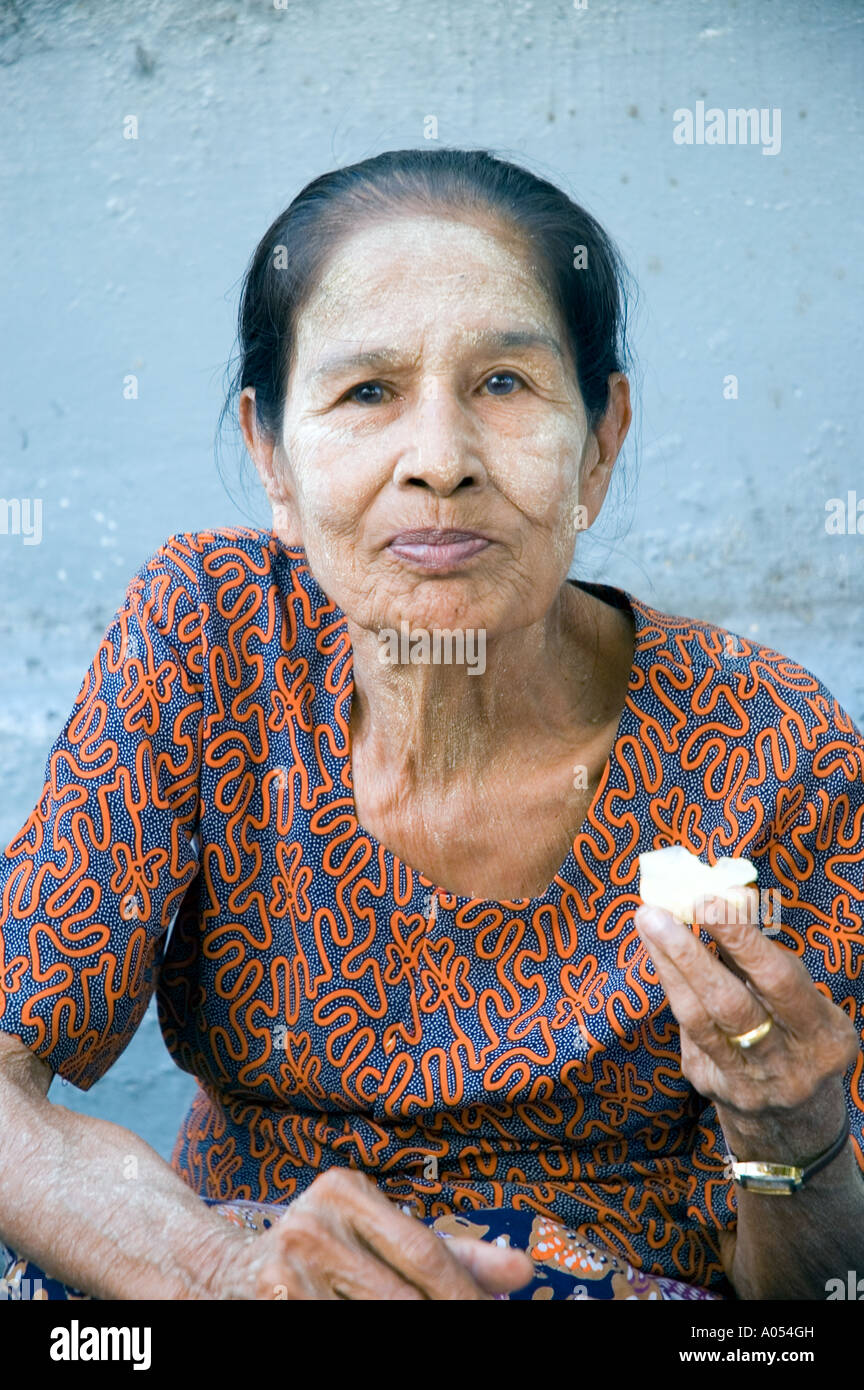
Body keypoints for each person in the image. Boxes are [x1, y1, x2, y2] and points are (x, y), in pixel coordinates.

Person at [1, 147, 862, 1302]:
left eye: (505, 383)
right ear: (272, 457)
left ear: (599, 440)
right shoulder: (208, 636)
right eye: (367, 393)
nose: (442, 464)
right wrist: (221, 1272)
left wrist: (793, 1133)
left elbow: (806, 1308)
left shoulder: (772, 751)